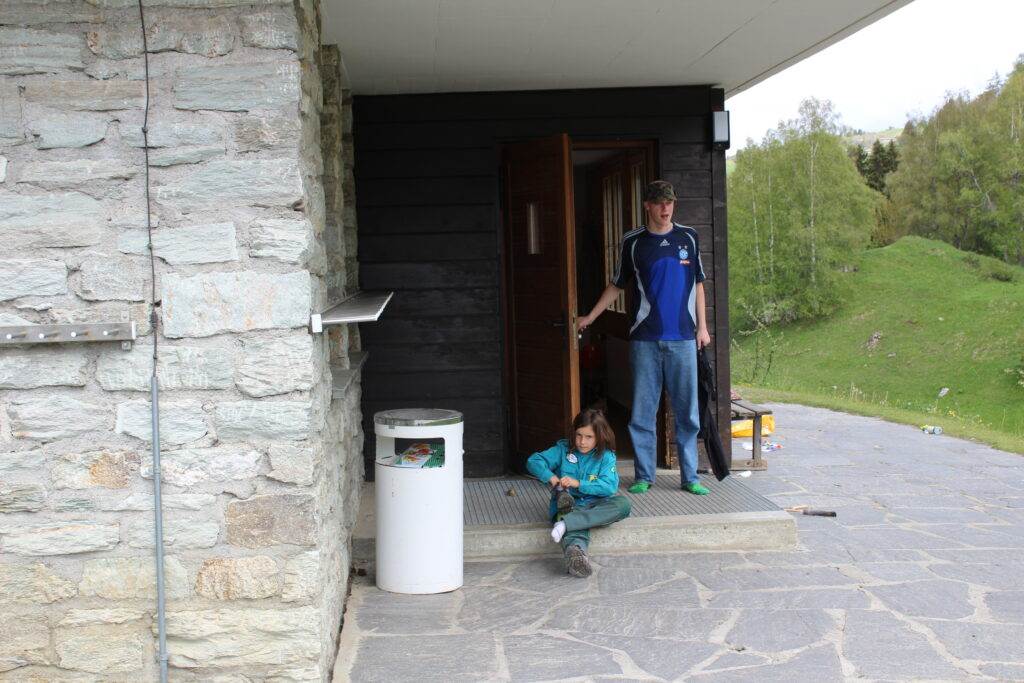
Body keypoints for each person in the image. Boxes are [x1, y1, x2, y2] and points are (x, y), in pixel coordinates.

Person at [578, 180, 712, 496]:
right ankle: (643, 475)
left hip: (683, 338)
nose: (666, 208)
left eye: (670, 202)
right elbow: (616, 285)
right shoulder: (633, 242)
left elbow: (699, 285)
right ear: (647, 206)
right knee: (642, 413)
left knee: (687, 412)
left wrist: (703, 328)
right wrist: (590, 317)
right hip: (644, 340)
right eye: (660, 203)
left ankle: (690, 476)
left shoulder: (689, 237)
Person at [526, 408, 631, 578]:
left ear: (600, 436)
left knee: (623, 504)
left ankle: (565, 524)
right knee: (570, 514)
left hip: (597, 504)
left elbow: (609, 487)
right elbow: (533, 461)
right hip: (569, 503)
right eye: (579, 435)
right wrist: (552, 479)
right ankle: (576, 554)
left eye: (589, 437)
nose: (582, 442)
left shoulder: (606, 456)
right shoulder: (563, 449)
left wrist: (579, 483)